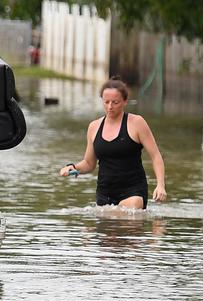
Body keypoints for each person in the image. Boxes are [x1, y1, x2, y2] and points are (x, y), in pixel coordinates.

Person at [59, 77, 167, 209]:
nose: (110, 107)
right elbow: (89, 163)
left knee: (129, 215)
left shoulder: (137, 123)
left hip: (133, 191)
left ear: (125, 101)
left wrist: (160, 185)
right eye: (106, 102)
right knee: (105, 225)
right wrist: (73, 167)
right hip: (105, 194)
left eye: (115, 102)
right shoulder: (94, 127)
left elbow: (156, 156)